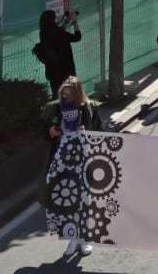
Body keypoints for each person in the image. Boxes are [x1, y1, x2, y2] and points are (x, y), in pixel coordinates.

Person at [42, 76, 103, 257]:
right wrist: (50, 131)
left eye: (69, 95)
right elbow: (43, 130)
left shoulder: (89, 108)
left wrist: (89, 135)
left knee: (83, 199)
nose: (65, 98)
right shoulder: (55, 108)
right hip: (62, 160)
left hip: (84, 159)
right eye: (63, 95)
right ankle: (72, 238)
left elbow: (100, 132)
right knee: (66, 199)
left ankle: (83, 239)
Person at [37, 8, 82, 97]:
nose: (57, 19)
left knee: (56, 96)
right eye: (55, 18)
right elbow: (77, 37)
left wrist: (67, 21)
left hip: (52, 72)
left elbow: (57, 32)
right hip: (66, 70)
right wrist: (74, 22)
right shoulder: (60, 34)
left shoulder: (43, 33)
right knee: (69, 97)